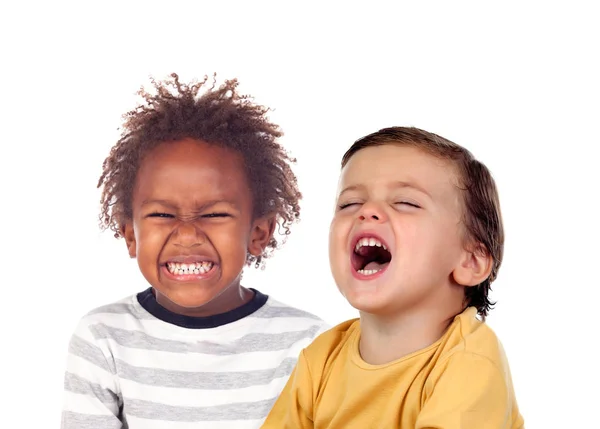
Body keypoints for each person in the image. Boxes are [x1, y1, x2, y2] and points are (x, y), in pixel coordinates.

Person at [60, 73, 328, 429]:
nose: (186, 235)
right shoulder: (103, 337)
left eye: (215, 214)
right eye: (162, 214)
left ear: (259, 232)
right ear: (130, 235)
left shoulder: (308, 344)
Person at [261, 126, 524, 428]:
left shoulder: (470, 361)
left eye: (406, 202)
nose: (367, 211)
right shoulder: (321, 358)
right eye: (350, 203)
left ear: (470, 261)